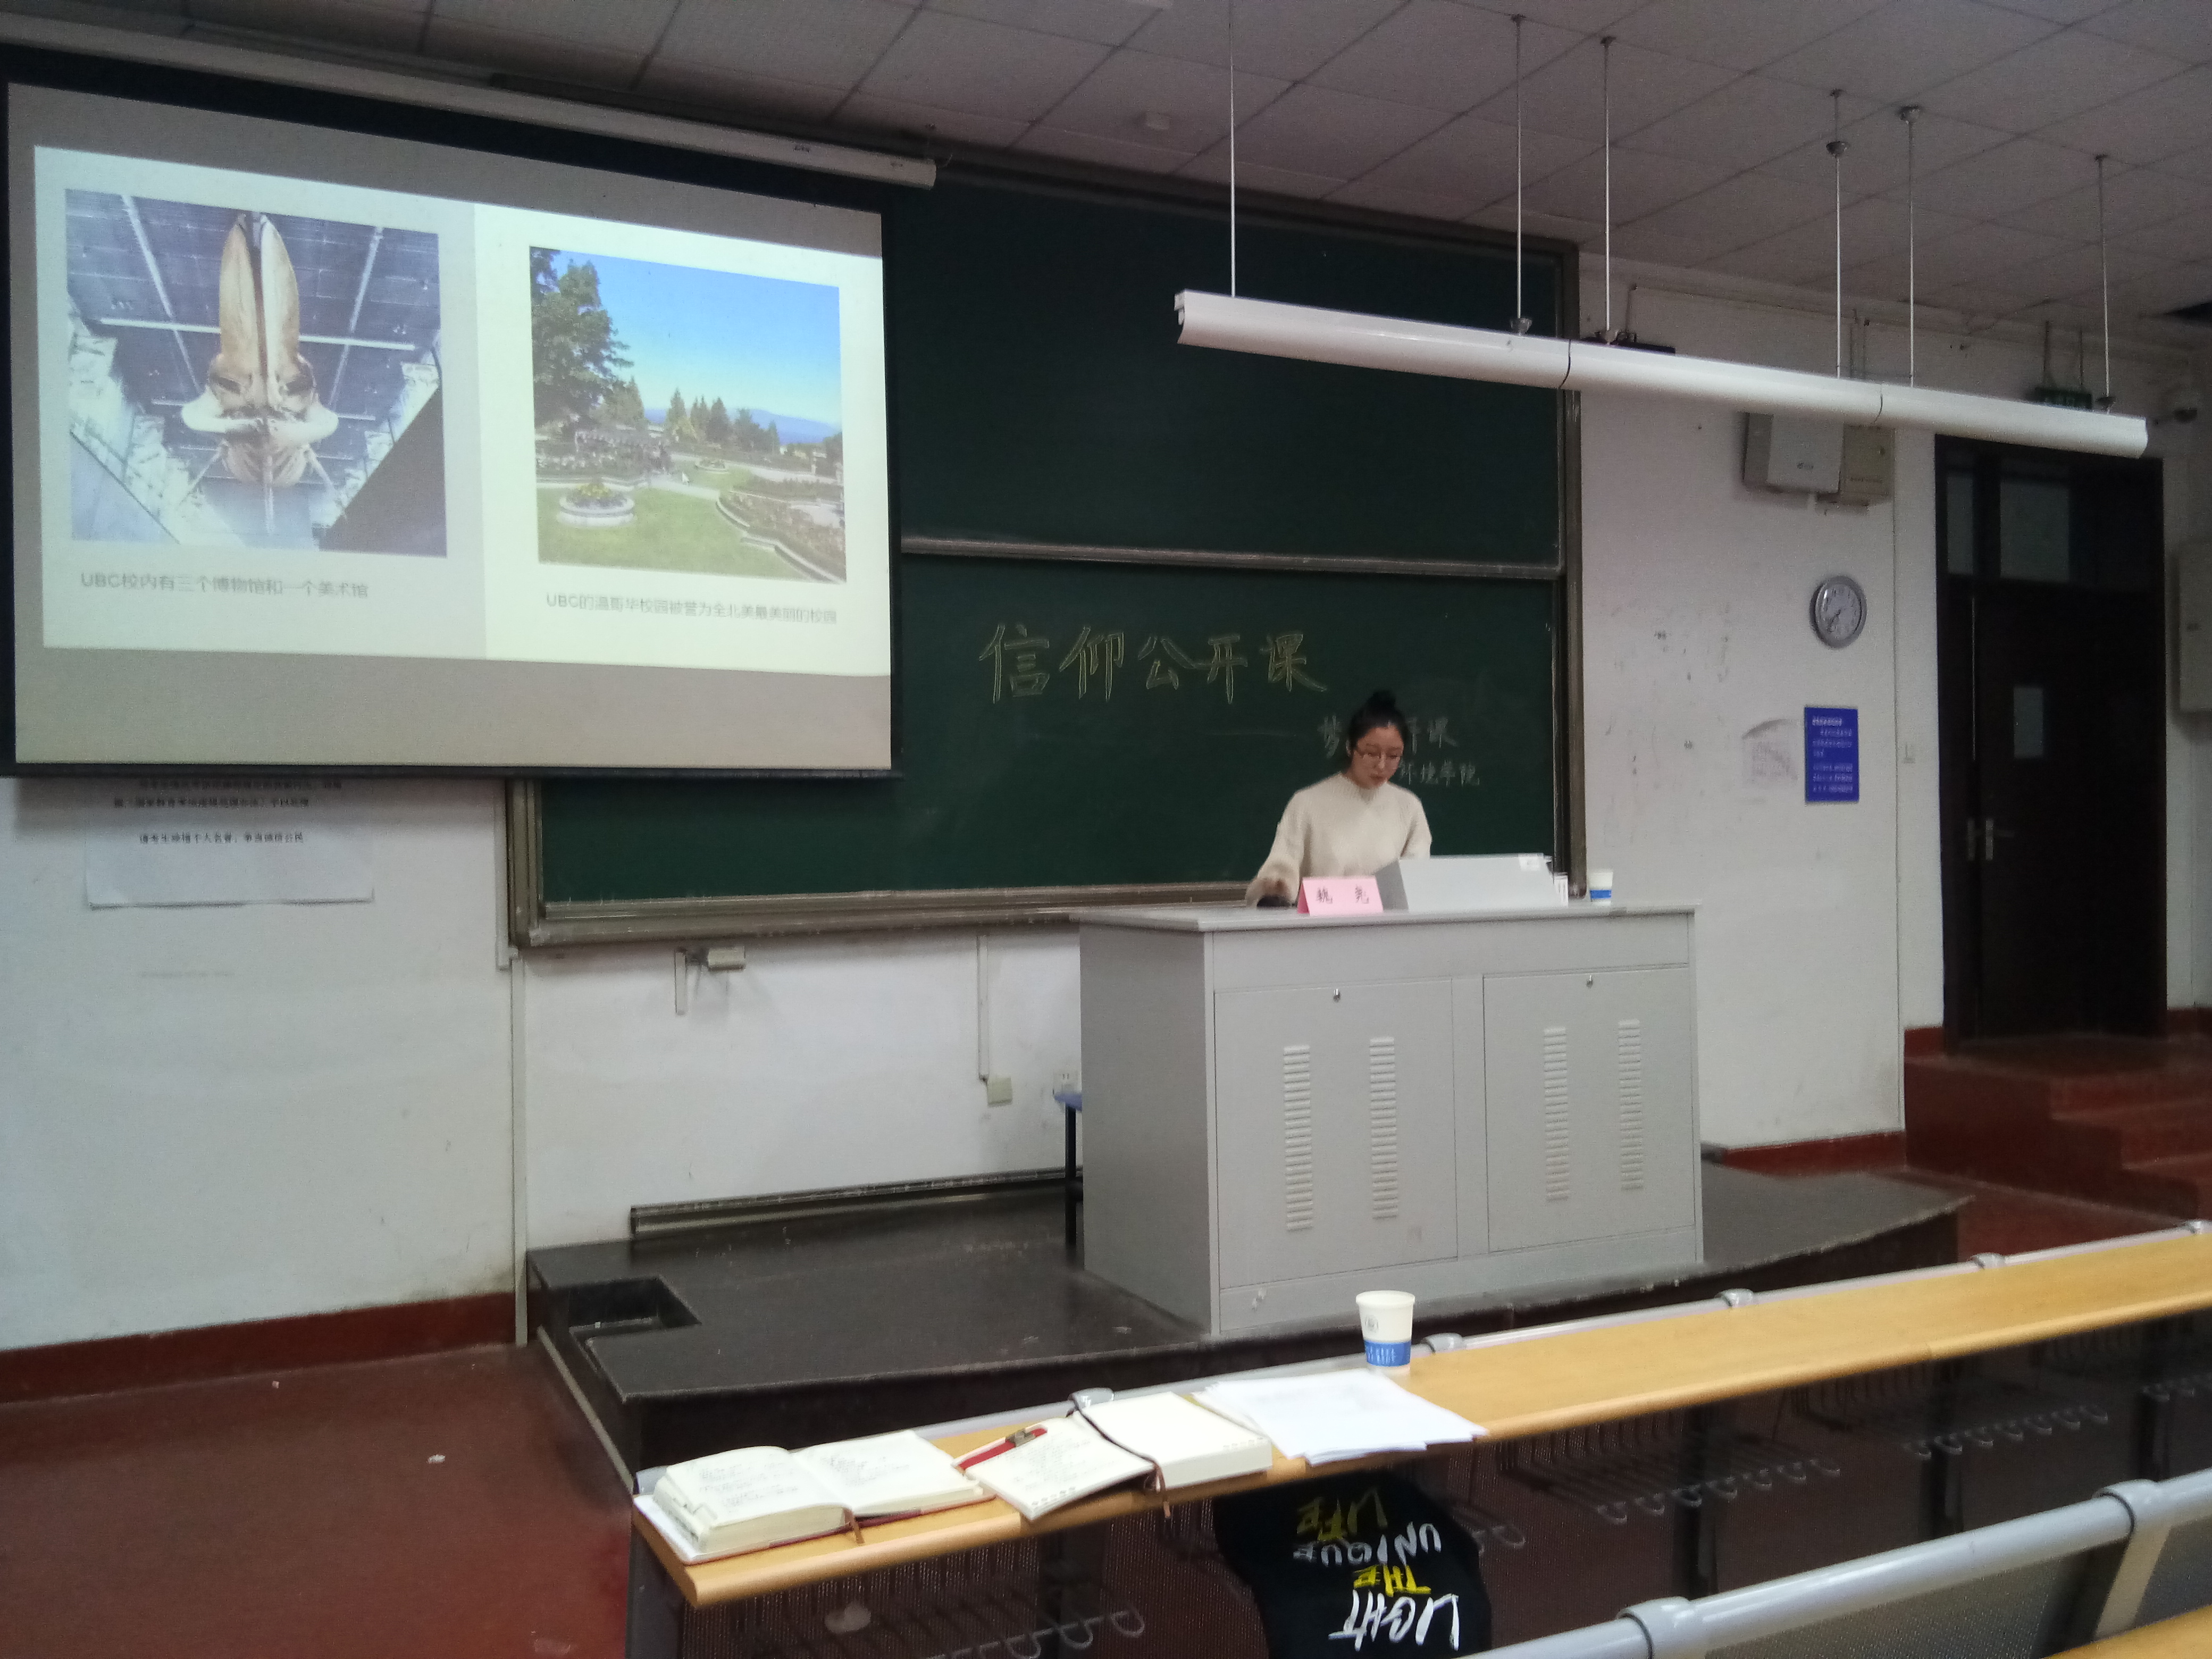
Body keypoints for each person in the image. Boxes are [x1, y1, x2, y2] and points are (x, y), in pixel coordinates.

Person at [1246, 690, 1431, 905]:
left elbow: (1416, 881)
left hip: (1386, 923)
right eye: (1371, 753)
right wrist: (1274, 892)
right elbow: (1280, 872)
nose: (1382, 765)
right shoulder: (1307, 803)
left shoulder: (1409, 807)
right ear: (1350, 747)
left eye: (1393, 756)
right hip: (1321, 923)